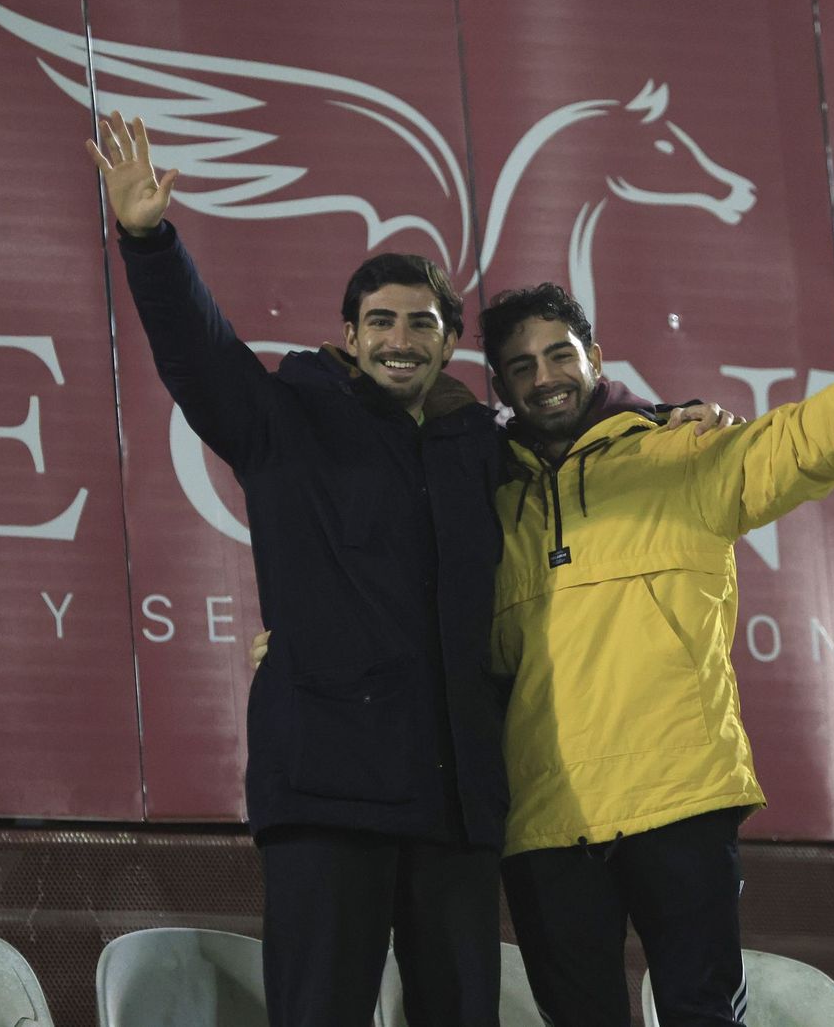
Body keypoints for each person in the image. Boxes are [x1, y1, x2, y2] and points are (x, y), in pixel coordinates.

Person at [86, 112, 729, 1027]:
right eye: (379, 321)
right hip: (328, 787)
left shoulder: (479, 449)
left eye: (420, 324)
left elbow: (567, 436)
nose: (400, 337)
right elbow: (198, 352)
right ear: (347, 337)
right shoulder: (282, 424)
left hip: (454, 802)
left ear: (446, 343)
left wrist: (663, 418)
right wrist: (149, 240)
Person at [479, 282, 834, 1027]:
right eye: (522, 366)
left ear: (596, 358)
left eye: (559, 354)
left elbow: (800, 445)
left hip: (679, 796)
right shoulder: (480, 497)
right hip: (546, 820)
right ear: (502, 385)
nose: (545, 376)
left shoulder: (681, 453)